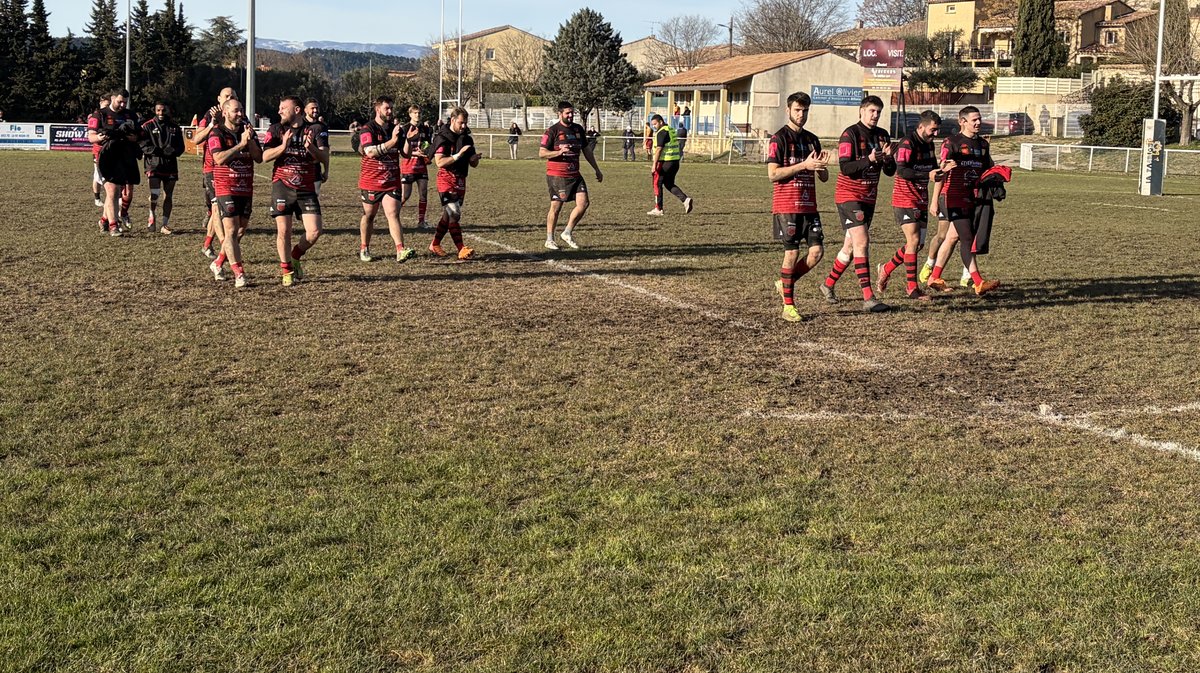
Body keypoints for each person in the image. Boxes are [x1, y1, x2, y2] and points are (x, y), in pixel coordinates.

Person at [820, 95, 895, 313]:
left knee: (851, 247)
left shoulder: (882, 135)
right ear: (861, 111)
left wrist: (889, 159)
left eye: (878, 112)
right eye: (872, 111)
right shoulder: (850, 134)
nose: (875, 115)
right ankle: (868, 297)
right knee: (862, 242)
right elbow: (846, 168)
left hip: (868, 197)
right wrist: (870, 160)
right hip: (848, 195)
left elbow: (890, 172)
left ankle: (828, 284)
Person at [767, 92, 830, 323]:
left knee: (817, 253)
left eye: (804, 111)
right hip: (786, 205)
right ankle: (789, 306)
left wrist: (821, 167)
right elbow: (773, 174)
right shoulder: (778, 139)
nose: (801, 115)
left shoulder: (813, 139)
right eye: (797, 110)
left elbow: (823, 177)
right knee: (791, 253)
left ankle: (785, 282)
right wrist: (804, 164)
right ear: (788, 110)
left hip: (809, 205)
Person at [925, 106, 1001, 296]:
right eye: (974, 120)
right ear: (962, 122)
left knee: (952, 237)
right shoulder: (952, 142)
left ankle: (934, 277)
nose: (978, 123)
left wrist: (998, 176)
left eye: (979, 119)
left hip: (971, 197)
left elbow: (987, 169)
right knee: (967, 238)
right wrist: (934, 201)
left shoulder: (983, 145)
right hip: (952, 197)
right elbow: (941, 172)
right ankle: (977, 282)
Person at [875, 110, 948, 302]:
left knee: (917, 245)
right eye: (933, 129)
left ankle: (886, 269)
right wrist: (928, 175)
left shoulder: (930, 145)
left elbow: (932, 169)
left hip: (921, 198)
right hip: (904, 198)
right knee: (914, 242)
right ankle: (912, 289)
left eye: (937, 130)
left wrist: (942, 170)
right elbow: (902, 171)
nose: (935, 133)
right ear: (921, 127)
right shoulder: (908, 143)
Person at [262, 95, 328, 286]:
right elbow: (265, 156)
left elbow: (324, 156)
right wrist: (283, 146)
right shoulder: (276, 129)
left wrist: (312, 149)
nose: (279, 111)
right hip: (282, 185)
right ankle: (286, 270)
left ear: (297, 110)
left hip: (306, 186)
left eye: (283, 107)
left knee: (315, 231)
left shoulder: (313, 130)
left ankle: (295, 255)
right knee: (284, 230)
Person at [206, 97, 262, 288]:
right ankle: (239, 274)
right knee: (230, 230)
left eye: (241, 111)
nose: (240, 114)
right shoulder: (217, 132)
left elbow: (259, 158)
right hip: (225, 187)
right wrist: (240, 145)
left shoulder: (247, 131)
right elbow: (219, 158)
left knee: (239, 231)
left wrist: (250, 140)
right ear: (225, 112)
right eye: (236, 111)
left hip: (245, 187)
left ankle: (218, 262)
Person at [356, 96, 418, 263]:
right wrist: (392, 141)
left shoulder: (397, 129)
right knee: (369, 215)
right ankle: (364, 247)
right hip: (371, 180)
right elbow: (370, 152)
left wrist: (409, 140)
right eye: (386, 108)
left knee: (393, 213)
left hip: (391, 180)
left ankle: (400, 250)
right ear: (378, 109)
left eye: (391, 108)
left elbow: (406, 154)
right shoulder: (368, 128)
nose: (390, 111)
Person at [540, 100, 603, 250]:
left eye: (572, 113)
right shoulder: (552, 131)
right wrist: (559, 152)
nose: (570, 115)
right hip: (557, 175)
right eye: (567, 113)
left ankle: (567, 232)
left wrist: (597, 169)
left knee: (584, 204)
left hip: (575, 173)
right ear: (559, 114)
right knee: (556, 207)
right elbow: (542, 153)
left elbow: (587, 151)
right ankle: (549, 239)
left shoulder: (578, 129)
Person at [87, 89, 142, 237]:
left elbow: (138, 136)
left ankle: (104, 219)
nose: (122, 104)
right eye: (119, 101)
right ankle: (113, 226)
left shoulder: (130, 115)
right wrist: (103, 135)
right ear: (112, 98)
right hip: (105, 157)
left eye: (125, 102)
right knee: (111, 191)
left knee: (117, 192)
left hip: (125, 157)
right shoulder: (100, 114)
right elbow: (91, 137)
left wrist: (131, 136)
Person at [428, 107, 480, 260]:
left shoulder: (467, 139)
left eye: (465, 123)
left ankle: (435, 244)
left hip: (461, 179)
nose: (464, 126)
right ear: (452, 120)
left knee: (448, 215)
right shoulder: (443, 138)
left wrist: (474, 159)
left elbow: (473, 164)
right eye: (461, 123)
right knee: (454, 214)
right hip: (446, 178)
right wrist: (458, 155)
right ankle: (461, 248)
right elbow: (439, 162)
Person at [193, 87, 238, 259]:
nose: (230, 98)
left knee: (218, 211)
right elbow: (196, 139)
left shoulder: (239, 115)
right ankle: (225, 250)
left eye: (233, 96)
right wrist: (213, 124)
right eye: (227, 96)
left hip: (234, 169)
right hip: (212, 169)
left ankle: (207, 245)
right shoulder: (209, 115)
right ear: (219, 99)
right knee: (217, 209)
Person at [139, 101, 184, 234]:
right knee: (154, 194)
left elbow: (181, 148)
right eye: (158, 110)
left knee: (168, 195)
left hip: (170, 166)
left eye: (163, 110)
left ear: (168, 110)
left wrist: (174, 151)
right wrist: (158, 151)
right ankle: (151, 216)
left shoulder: (175, 127)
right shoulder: (147, 126)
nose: (161, 113)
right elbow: (143, 144)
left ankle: (165, 224)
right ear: (155, 110)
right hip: (153, 165)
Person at [647, 114, 692, 216]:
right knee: (668, 183)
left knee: (657, 183)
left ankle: (658, 209)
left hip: (665, 162)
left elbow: (659, 149)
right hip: (675, 161)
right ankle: (685, 200)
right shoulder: (671, 130)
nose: (654, 126)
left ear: (661, 122)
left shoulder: (662, 132)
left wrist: (654, 164)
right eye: (652, 124)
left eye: (655, 124)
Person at [399, 105, 433, 232]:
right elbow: (401, 150)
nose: (418, 115)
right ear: (410, 115)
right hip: (408, 167)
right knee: (405, 196)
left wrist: (427, 153)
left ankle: (421, 221)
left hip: (421, 167)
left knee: (423, 194)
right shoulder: (404, 129)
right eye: (415, 113)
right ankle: (393, 215)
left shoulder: (425, 129)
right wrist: (414, 153)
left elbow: (428, 145)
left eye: (419, 113)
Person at [304, 99, 331, 196]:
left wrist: (326, 171)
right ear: (305, 110)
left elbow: (325, 151)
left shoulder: (321, 127)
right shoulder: (298, 124)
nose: (315, 110)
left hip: (314, 171)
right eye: (312, 108)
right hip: (297, 169)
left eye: (317, 108)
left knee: (312, 203)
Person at [90, 94, 109, 210]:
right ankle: (97, 199)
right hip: (98, 150)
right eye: (105, 105)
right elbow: (92, 135)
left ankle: (110, 197)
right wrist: (100, 137)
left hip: (110, 150)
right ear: (101, 103)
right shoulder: (96, 115)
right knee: (97, 175)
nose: (106, 108)